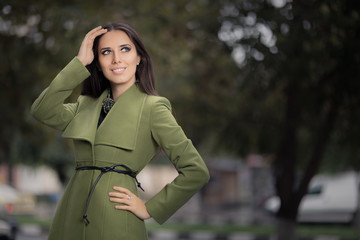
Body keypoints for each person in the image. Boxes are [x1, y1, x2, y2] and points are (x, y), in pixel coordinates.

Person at [30, 22, 210, 240]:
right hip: (69, 218)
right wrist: (79, 63)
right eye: (106, 52)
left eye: (125, 49)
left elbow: (196, 171)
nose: (116, 59)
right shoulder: (85, 105)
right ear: (97, 63)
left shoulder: (154, 108)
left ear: (139, 57)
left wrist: (149, 208)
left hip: (115, 220)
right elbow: (42, 110)